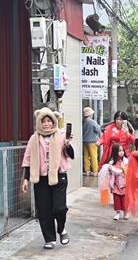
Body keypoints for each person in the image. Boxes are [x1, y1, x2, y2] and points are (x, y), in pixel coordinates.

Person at [21, 108, 75, 249]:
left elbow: (70, 155)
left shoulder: (62, 135)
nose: (46, 124)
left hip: (59, 176)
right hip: (40, 178)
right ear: (39, 122)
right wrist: (26, 179)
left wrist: (68, 145)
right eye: (43, 121)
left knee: (59, 208)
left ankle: (61, 228)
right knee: (44, 210)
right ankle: (49, 239)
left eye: (49, 121)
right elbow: (27, 159)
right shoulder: (34, 138)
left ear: (53, 122)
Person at [99, 143, 129, 221]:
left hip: (125, 183)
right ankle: (117, 213)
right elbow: (109, 172)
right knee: (117, 199)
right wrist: (109, 169)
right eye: (119, 151)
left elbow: (129, 170)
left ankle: (126, 212)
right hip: (116, 183)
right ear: (115, 152)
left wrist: (124, 169)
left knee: (125, 199)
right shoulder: (112, 162)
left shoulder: (126, 161)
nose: (121, 152)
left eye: (122, 150)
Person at [82, 106, 102, 176]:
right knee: (93, 156)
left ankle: (87, 171)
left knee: (86, 157)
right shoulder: (92, 122)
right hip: (92, 141)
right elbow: (98, 130)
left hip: (84, 141)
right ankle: (95, 171)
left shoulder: (82, 121)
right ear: (90, 114)